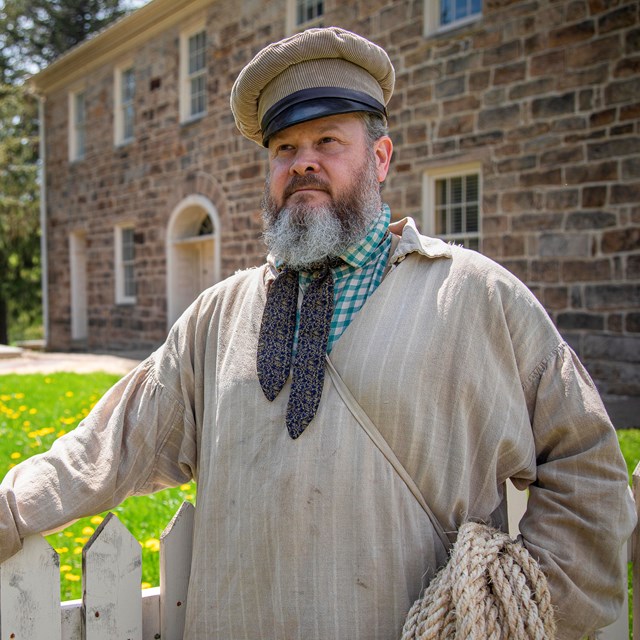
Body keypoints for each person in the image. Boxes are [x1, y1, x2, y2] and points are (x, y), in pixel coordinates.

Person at [0, 27, 635, 639]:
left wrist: (520, 607)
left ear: (380, 158)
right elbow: (112, 445)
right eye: (284, 149)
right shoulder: (216, 317)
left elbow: (588, 472)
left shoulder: (476, 298)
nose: (303, 163)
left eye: (329, 140)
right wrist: (11, 509)